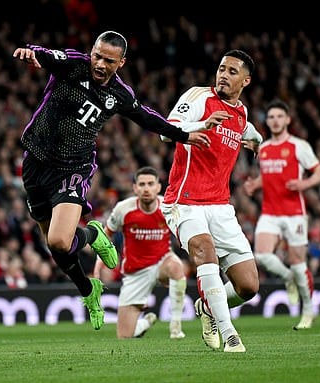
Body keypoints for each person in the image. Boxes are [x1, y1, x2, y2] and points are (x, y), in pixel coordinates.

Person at [13, 31, 210, 331]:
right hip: (36, 162)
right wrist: (31, 52)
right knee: (55, 249)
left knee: (59, 240)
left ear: (121, 62)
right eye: (97, 55)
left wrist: (183, 135)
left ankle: (92, 235)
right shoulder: (74, 65)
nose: (100, 64)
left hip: (72, 168)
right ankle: (88, 291)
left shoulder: (119, 94)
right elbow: (47, 53)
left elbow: (146, 117)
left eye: (109, 60)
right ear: (91, 51)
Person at [160, 49, 263, 352]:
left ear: (245, 80)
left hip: (220, 206)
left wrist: (256, 143)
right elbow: (166, 133)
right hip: (185, 201)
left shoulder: (240, 113)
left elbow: (251, 132)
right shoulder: (198, 97)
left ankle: (208, 306)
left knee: (248, 286)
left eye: (232, 72)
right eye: (221, 68)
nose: (223, 75)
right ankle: (230, 333)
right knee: (205, 251)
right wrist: (200, 125)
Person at [243, 99, 320, 330]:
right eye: (271, 117)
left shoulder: (299, 146)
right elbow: (270, 174)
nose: (275, 120)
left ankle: (308, 311)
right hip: (270, 211)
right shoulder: (265, 148)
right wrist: (255, 185)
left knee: (298, 263)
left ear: (288, 120)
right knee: (261, 255)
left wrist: (303, 183)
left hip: (294, 213)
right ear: (267, 122)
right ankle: (288, 277)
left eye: (280, 116)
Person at [95, 166, 187, 339]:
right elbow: (106, 235)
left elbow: (185, 233)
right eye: (142, 184)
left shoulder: (168, 208)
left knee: (176, 266)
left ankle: (175, 326)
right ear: (135, 188)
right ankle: (144, 323)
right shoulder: (123, 209)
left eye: (151, 184)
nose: (146, 188)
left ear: (158, 187)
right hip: (135, 272)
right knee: (124, 336)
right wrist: (100, 261)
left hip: (162, 263)